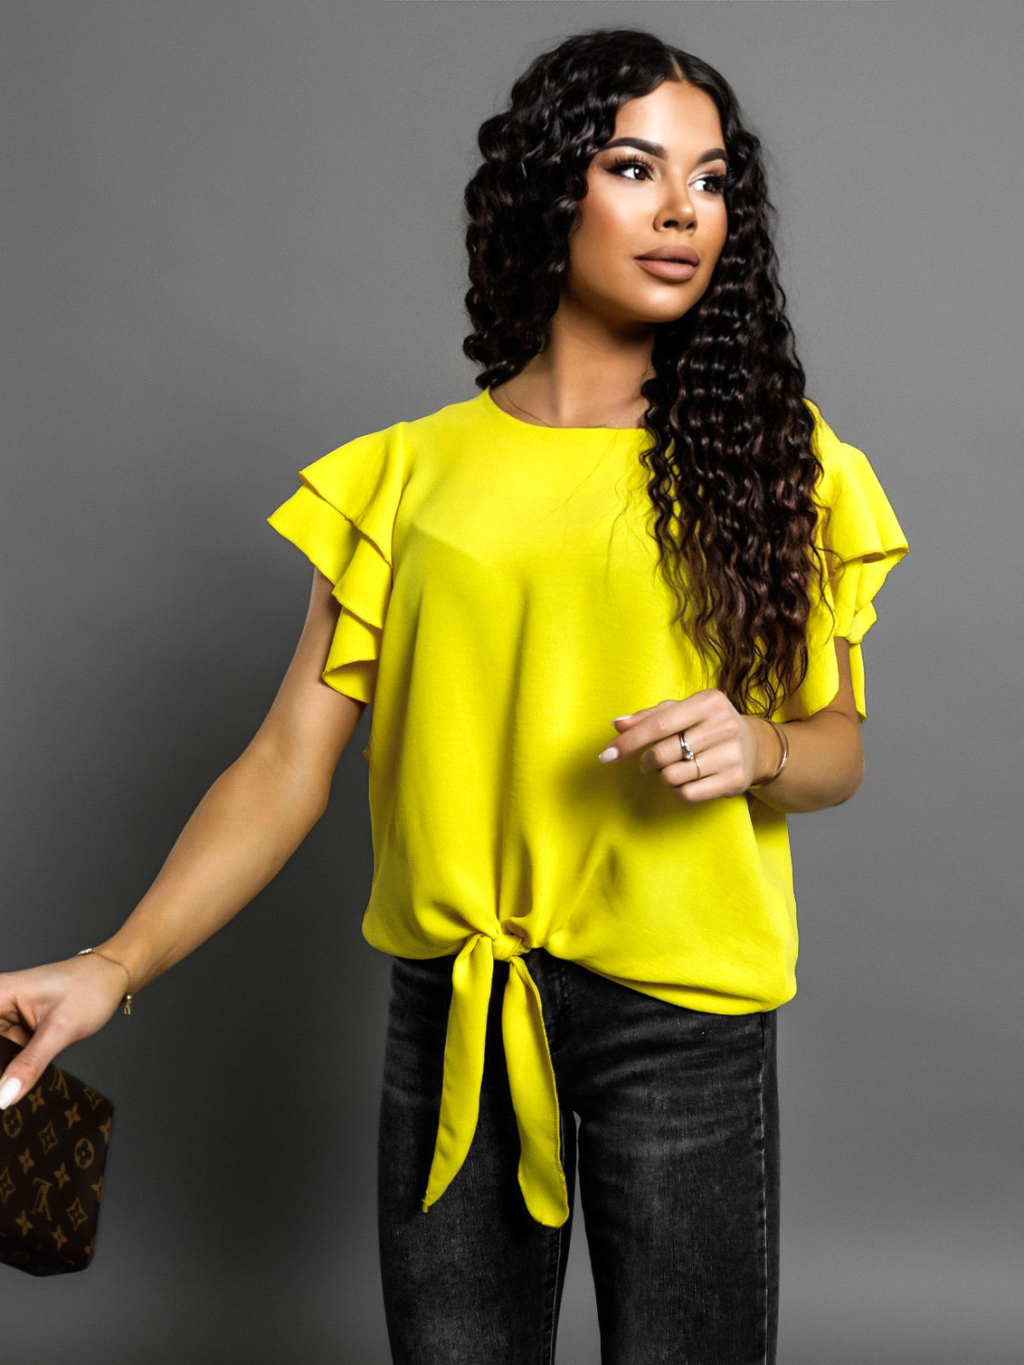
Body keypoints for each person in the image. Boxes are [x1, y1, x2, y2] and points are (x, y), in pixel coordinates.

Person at [0, 25, 908, 1365]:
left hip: (686, 1020)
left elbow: (837, 753)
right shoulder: (406, 478)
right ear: (550, 192)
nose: (682, 211)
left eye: (712, 180)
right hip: (457, 1014)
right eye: (634, 167)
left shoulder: (779, 464)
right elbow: (284, 763)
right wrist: (113, 964)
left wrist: (760, 743)